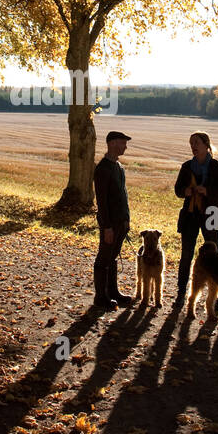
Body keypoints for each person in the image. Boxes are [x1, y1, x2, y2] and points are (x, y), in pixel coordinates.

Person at [173, 131, 218, 299]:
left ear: (207, 145)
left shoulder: (217, 167)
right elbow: (178, 190)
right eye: (191, 143)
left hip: (211, 213)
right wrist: (187, 191)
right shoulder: (186, 167)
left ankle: (216, 295)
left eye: (196, 143)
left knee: (213, 253)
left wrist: (207, 191)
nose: (193, 146)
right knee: (186, 254)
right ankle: (181, 291)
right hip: (191, 214)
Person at [93, 130, 134, 312]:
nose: (125, 146)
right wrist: (107, 227)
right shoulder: (102, 169)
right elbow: (102, 202)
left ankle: (113, 292)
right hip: (109, 224)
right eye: (123, 142)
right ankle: (100, 297)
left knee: (113, 256)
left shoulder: (119, 167)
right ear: (112, 143)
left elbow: (122, 197)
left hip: (120, 222)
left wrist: (126, 220)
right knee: (104, 259)